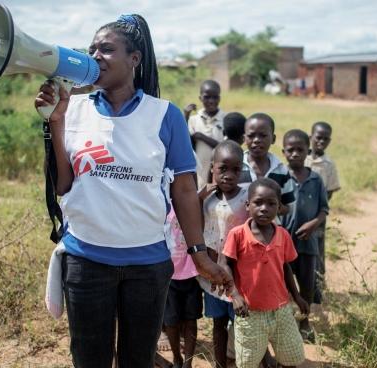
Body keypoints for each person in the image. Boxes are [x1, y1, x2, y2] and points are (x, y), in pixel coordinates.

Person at [35, 14, 232, 368]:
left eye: (107, 49)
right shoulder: (72, 111)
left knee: (137, 360)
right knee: (89, 358)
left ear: (134, 59)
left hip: (148, 266)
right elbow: (62, 185)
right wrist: (55, 122)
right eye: (91, 49)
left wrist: (199, 254)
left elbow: (185, 191)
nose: (95, 55)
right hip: (86, 262)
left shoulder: (164, 115)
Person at [223, 178, 309, 368]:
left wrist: (297, 296)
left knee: (290, 357)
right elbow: (226, 264)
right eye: (258, 202)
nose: (264, 208)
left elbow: (285, 267)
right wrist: (235, 295)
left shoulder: (283, 235)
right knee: (249, 361)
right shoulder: (237, 235)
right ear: (248, 205)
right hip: (249, 312)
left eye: (271, 204)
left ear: (279, 208)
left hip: (281, 309)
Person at [199, 140, 249, 368]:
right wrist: (199, 196)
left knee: (243, 323)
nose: (229, 175)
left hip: (239, 275)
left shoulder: (247, 198)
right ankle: (220, 364)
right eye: (222, 169)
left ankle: (249, 360)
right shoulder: (205, 198)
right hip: (212, 274)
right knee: (218, 324)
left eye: (236, 170)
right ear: (212, 168)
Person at [282, 129, 329, 342]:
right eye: (290, 150)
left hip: (308, 243)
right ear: (283, 152)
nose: (294, 154)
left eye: (299, 150)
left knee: (307, 284)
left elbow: (323, 210)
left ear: (308, 151)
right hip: (284, 243)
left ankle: (305, 320)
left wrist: (313, 224)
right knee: (283, 282)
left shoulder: (316, 180)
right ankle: (285, 321)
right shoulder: (279, 177)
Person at [304, 121, 340, 305]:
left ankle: (317, 288)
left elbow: (331, 190)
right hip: (299, 215)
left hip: (317, 217)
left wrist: (318, 209)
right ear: (311, 138)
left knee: (317, 251)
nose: (321, 142)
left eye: (326, 139)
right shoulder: (302, 157)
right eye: (318, 138)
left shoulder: (329, 165)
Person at [163, 210, 203, 368]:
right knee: (171, 322)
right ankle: (177, 358)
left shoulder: (192, 203)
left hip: (191, 274)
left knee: (191, 320)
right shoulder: (161, 202)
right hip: (168, 275)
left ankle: (188, 362)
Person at [239, 112, 294, 216]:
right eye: (251, 136)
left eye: (263, 136)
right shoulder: (237, 166)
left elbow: (288, 206)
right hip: (239, 228)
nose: (256, 140)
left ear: (273, 139)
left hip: (269, 230)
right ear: (244, 139)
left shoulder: (281, 170)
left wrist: (270, 209)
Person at [186, 80, 226, 188]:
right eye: (207, 97)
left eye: (215, 97)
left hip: (222, 177)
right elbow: (185, 144)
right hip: (200, 175)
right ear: (200, 98)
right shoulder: (193, 120)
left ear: (219, 98)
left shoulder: (225, 120)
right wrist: (185, 116)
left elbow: (226, 148)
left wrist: (201, 136)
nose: (211, 101)